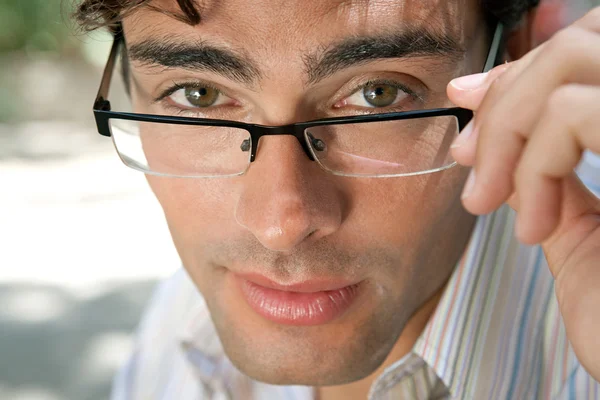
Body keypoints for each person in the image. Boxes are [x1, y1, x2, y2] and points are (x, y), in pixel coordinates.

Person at [75, 0, 600, 398]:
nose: (280, 225)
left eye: (379, 94)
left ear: (517, 57)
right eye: (199, 95)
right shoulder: (184, 313)